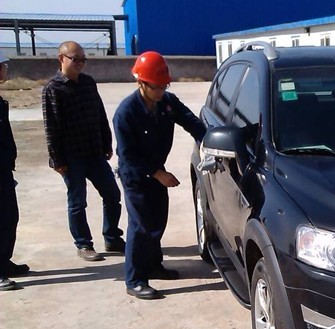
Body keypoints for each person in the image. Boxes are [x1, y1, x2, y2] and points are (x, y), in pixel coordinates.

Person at [113, 51, 206, 300]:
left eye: (164, 86)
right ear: (140, 82)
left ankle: (154, 266)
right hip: (135, 176)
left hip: (156, 171)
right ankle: (135, 279)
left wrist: (207, 140)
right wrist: (158, 174)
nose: (160, 91)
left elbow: (191, 121)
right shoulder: (126, 113)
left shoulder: (167, 102)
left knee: (157, 222)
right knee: (140, 226)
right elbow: (128, 155)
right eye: (155, 87)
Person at [42, 41, 125, 262]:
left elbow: (100, 114)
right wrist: (57, 159)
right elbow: (51, 127)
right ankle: (84, 244)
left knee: (112, 194)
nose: (80, 63)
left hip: (94, 153)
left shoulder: (88, 83)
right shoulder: (53, 88)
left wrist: (106, 143)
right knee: (78, 202)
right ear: (61, 59)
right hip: (71, 158)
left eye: (83, 59)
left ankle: (112, 237)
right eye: (75, 59)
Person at [0, 52, 29, 291]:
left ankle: (4, 261)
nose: (5, 69)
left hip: (3, 169)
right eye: (3, 66)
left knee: (10, 217)